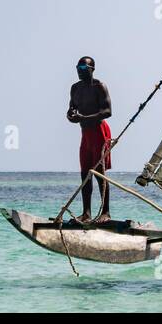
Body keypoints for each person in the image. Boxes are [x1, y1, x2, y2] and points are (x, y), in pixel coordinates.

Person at [66, 56, 112, 224]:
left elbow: (107, 111)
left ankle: (105, 212)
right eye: (78, 67)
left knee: (100, 172)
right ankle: (86, 213)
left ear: (92, 69)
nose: (80, 71)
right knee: (85, 173)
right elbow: (72, 109)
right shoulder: (75, 88)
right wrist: (71, 116)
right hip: (85, 133)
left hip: (99, 131)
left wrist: (84, 116)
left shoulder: (99, 86)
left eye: (84, 68)